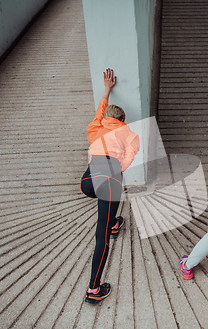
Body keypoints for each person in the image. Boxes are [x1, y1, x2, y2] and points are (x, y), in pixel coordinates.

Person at [80, 68, 140, 303]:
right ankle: (93, 290)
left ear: (106, 120)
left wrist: (107, 89)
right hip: (111, 180)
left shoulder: (96, 127)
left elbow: (100, 110)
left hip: (87, 184)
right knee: (101, 236)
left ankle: (115, 223)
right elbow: (129, 158)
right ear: (122, 121)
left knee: (108, 214)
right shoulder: (128, 132)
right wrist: (118, 169)